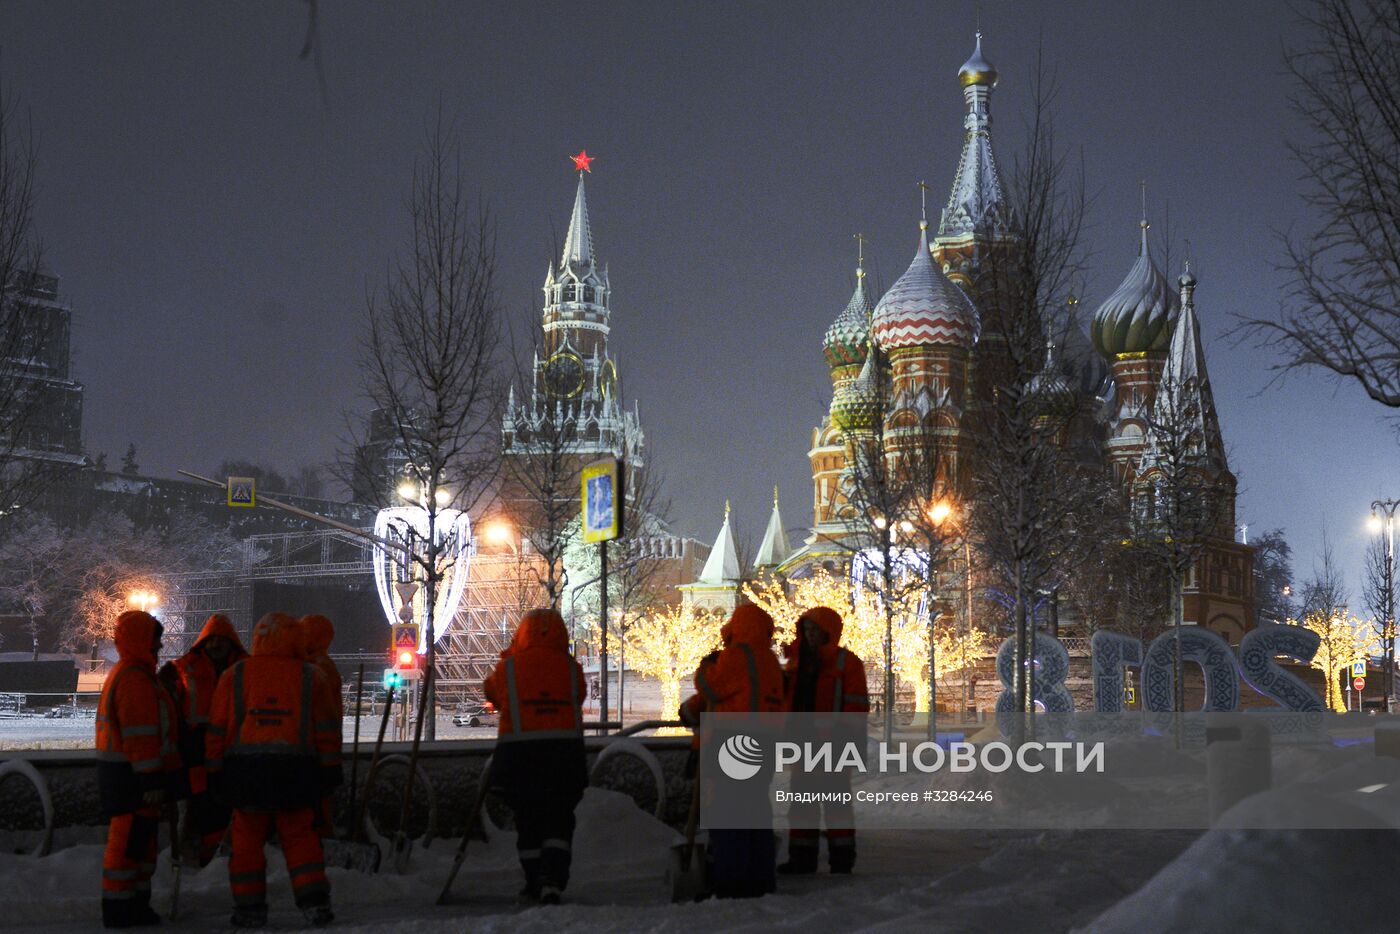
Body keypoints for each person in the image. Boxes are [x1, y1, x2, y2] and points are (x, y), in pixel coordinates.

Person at [207, 612, 342, 928]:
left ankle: (249, 908)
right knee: (300, 838)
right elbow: (327, 731)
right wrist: (330, 770)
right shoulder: (312, 676)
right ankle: (314, 903)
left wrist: (213, 771)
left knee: (246, 842)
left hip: (245, 773)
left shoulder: (234, 675)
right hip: (296, 772)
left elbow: (217, 730)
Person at [483, 608, 586, 905]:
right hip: (564, 755)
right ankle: (553, 879)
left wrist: (510, 659)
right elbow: (578, 696)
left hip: (520, 757)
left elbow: (491, 692)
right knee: (559, 818)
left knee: (528, 819)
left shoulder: (510, 668)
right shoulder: (571, 668)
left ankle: (532, 880)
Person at [684, 604, 784, 899]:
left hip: (733, 742)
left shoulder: (737, 655)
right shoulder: (770, 660)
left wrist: (705, 667)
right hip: (764, 743)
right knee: (756, 811)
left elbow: (710, 687)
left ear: (737, 626)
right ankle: (760, 878)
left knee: (728, 812)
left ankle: (730, 880)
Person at [96, 610, 182, 929]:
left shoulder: (131, 673)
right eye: (156, 642)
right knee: (130, 846)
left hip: (127, 777)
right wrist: (152, 778)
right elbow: (142, 735)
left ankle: (133, 905)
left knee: (139, 846)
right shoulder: (135, 679)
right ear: (145, 641)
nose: (159, 648)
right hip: (134, 780)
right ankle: (121, 909)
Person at [779, 606, 869, 875]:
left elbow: (857, 706)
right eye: (806, 630)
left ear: (828, 632)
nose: (810, 636)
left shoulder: (846, 663)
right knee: (802, 805)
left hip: (833, 748)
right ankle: (802, 858)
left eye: (815, 630)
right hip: (804, 747)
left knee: (835, 805)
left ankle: (841, 859)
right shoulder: (796, 665)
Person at [160, 613, 247, 865]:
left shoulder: (246, 666)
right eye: (212, 640)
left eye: (221, 640)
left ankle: (217, 855)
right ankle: (209, 856)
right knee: (203, 802)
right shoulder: (183, 667)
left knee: (226, 804)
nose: (216, 645)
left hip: (233, 749)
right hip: (195, 749)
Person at [299, 614, 342, 837]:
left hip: (313, 751)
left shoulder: (316, 669)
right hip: (322, 750)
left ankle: (321, 843)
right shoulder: (323, 666)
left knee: (314, 809)